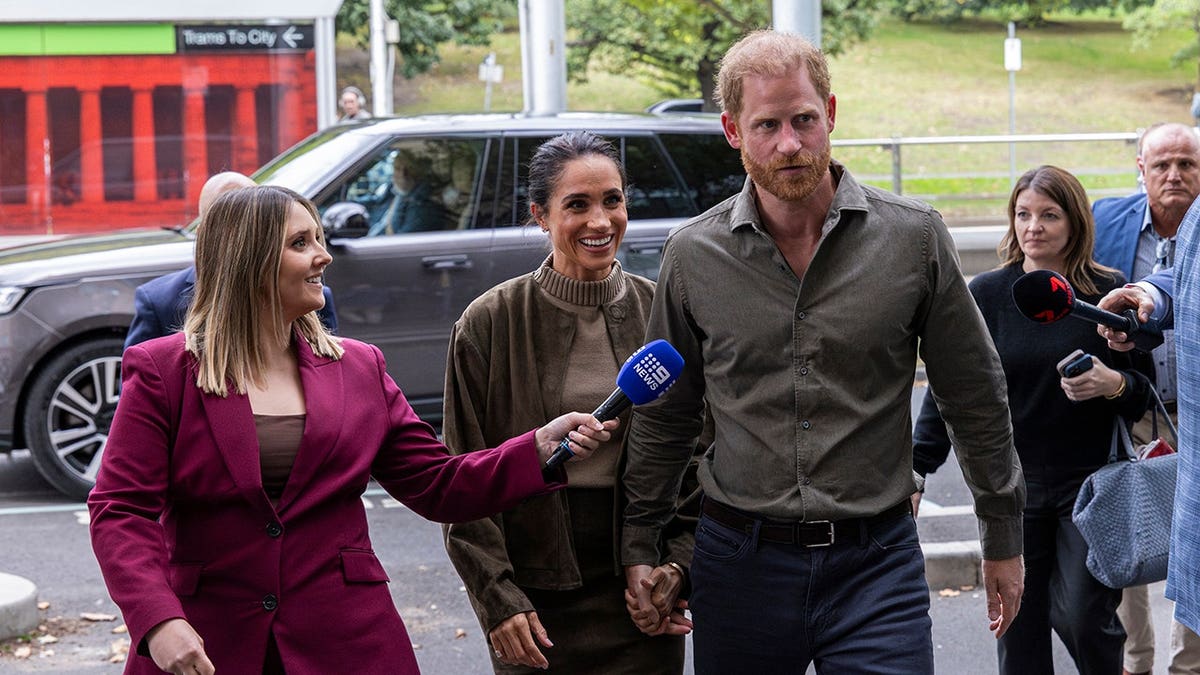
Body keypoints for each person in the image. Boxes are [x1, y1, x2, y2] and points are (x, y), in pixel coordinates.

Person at [619, 29, 1026, 672]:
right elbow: (667, 415)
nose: (790, 144)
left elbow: (973, 392)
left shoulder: (914, 239)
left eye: (804, 120)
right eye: (767, 125)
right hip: (739, 565)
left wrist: (1002, 534)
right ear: (732, 131)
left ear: (830, 113)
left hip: (877, 567)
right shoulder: (693, 255)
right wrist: (641, 542)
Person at [88, 185, 617, 675]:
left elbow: (438, 484)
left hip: (347, 641)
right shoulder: (162, 371)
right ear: (248, 259)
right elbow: (120, 509)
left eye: (319, 239)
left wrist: (537, 449)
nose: (323, 256)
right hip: (207, 641)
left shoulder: (359, 367)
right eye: (301, 243)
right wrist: (158, 620)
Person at [442, 131, 698, 674]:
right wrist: (497, 599)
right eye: (577, 205)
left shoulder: (663, 313)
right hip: (532, 593)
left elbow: (702, 458)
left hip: (641, 583)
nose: (600, 222)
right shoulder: (489, 323)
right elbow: (461, 480)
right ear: (540, 215)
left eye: (612, 200)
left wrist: (677, 564)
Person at [913, 166, 1153, 674]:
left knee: (1085, 617)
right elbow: (951, 387)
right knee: (1017, 623)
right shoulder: (987, 293)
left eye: (1049, 215)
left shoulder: (1107, 291)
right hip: (1011, 488)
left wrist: (1111, 383)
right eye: (1023, 214)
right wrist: (918, 467)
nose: (1033, 227)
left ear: (1075, 222)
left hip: (1090, 484)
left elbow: (1142, 392)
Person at [1091, 122, 1200, 675]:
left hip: (1191, 417)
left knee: (1193, 543)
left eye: (1187, 164)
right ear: (1141, 169)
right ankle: (1136, 662)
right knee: (1134, 529)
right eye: (1162, 165)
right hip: (1135, 408)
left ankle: (1187, 664)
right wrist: (1145, 295)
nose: (1174, 175)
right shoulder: (1107, 221)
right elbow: (1168, 284)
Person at [125, 172, 338, 349]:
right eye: (299, 242)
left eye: (255, 213)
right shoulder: (160, 303)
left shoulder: (315, 300)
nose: (324, 257)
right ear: (206, 235)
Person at [367, 149, 450, 235]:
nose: (402, 174)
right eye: (397, 168)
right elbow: (376, 202)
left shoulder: (423, 205)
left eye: (409, 169)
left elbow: (400, 240)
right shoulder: (394, 189)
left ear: (418, 173)